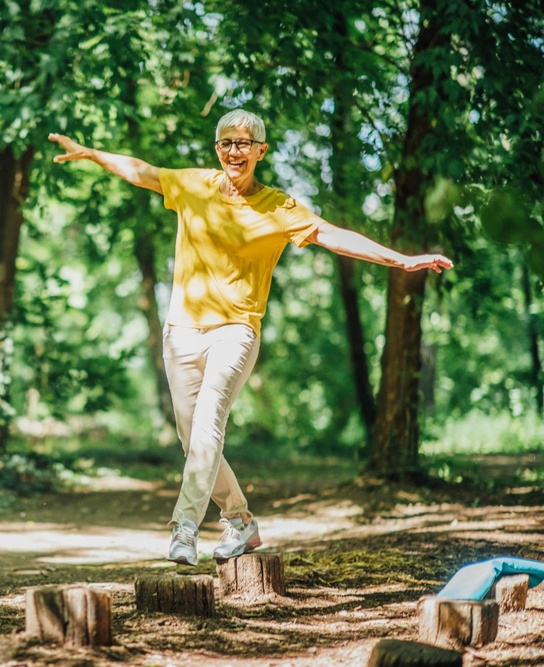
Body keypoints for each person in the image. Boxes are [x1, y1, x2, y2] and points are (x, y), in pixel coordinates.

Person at [49, 109, 453, 566]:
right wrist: (91, 154)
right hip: (180, 331)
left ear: (261, 150)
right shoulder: (193, 185)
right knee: (194, 440)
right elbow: (142, 170)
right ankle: (241, 522)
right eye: (225, 143)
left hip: (235, 331)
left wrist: (401, 261)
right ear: (216, 149)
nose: (232, 151)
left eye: (242, 143)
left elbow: (332, 235)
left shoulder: (279, 208)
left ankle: (184, 528)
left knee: (208, 425)